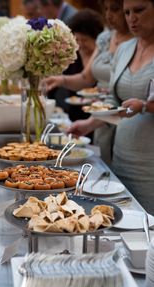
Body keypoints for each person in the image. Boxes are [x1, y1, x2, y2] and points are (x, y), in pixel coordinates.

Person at [69, 0, 154, 214]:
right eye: (127, 12)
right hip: (122, 155)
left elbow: (136, 106)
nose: (131, 18)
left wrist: (144, 106)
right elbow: (117, 105)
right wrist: (90, 124)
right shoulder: (125, 49)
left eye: (139, 10)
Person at [45, 0, 132, 164]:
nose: (108, 15)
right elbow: (86, 78)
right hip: (101, 112)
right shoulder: (106, 38)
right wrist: (59, 79)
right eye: (106, 9)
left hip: (125, 112)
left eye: (115, 9)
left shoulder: (137, 41)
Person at [48, 9, 104, 119]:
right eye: (77, 39)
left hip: (97, 116)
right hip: (74, 116)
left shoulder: (102, 58)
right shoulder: (73, 55)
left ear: (97, 38)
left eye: (85, 40)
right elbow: (54, 85)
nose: (80, 45)